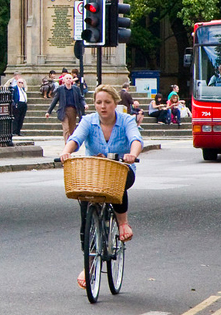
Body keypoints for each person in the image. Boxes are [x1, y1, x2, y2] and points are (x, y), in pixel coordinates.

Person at [60, 84, 143, 289]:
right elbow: (76, 138)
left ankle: (123, 223)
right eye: (99, 102)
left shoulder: (126, 120)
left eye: (107, 102)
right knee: (85, 207)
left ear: (115, 103)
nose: (103, 106)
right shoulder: (88, 121)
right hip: (95, 172)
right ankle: (88, 263)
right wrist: (66, 151)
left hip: (121, 169)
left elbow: (136, 139)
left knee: (118, 181)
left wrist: (132, 154)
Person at [46, 73, 85, 142]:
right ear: (64, 80)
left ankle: (71, 144)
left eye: (70, 78)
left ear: (72, 80)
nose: (68, 80)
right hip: (63, 111)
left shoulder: (76, 89)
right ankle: (67, 144)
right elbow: (54, 101)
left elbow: (81, 98)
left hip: (73, 111)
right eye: (67, 78)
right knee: (66, 129)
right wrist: (49, 111)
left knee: (72, 129)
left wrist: (84, 104)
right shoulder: (60, 89)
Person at [7, 72, 29, 136]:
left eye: (22, 83)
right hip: (18, 104)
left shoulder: (23, 89)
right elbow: (12, 97)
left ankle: (18, 131)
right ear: (17, 83)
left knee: (21, 118)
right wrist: (14, 104)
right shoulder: (14, 89)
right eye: (19, 82)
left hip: (23, 104)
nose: (21, 84)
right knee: (16, 118)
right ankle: (14, 131)